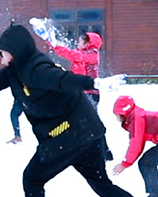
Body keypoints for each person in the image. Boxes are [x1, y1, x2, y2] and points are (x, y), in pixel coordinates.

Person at [0, 24, 158, 197]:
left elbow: (61, 79)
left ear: (15, 50)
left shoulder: (37, 68)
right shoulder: (18, 68)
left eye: (2, 54)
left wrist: (93, 83)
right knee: (102, 185)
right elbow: (2, 77)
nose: (0, 59)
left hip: (68, 136)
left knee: (32, 178)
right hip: (87, 133)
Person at [46, 31, 113, 159]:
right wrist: (51, 42)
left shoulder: (92, 55)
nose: (78, 42)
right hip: (80, 93)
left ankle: (103, 151)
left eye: (81, 41)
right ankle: (96, 151)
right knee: (82, 122)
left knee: (91, 123)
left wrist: (54, 45)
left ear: (89, 43)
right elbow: (69, 57)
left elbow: (72, 55)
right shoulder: (82, 54)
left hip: (89, 94)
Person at [112, 95, 158, 197]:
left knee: (147, 163)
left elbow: (136, 144)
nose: (117, 118)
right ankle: (157, 194)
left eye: (118, 115)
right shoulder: (136, 115)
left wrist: (125, 164)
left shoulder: (137, 119)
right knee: (147, 162)